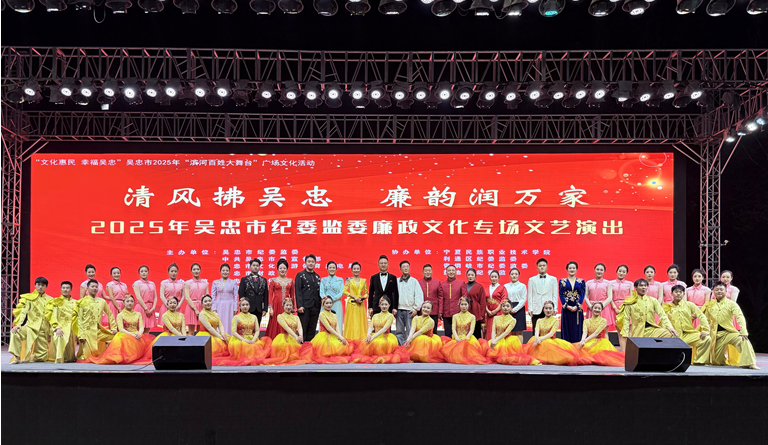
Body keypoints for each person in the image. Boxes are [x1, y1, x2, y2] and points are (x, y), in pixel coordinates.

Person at [82, 294, 153, 365]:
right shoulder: (120, 315)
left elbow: (141, 326)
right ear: (123, 303)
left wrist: (139, 334)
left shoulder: (138, 314)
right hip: (126, 335)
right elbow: (121, 329)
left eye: (131, 301)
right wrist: (132, 335)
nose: (130, 303)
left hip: (137, 335)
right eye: (127, 301)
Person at [702, 281, 759, 369]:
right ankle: (721, 361)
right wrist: (705, 331)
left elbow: (739, 316)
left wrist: (743, 330)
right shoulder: (709, 304)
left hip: (729, 332)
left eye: (721, 289)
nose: (719, 291)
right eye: (717, 290)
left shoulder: (732, 304)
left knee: (743, 339)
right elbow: (705, 320)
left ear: (726, 291)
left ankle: (750, 363)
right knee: (716, 361)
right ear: (713, 291)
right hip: (715, 334)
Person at [524, 301, 587, 366]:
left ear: (553, 310)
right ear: (543, 309)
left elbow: (551, 333)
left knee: (566, 357)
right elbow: (536, 330)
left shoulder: (555, 321)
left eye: (550, 308)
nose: (548, 310)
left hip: (550, 340)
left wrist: (540, 339)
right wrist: (536, 339)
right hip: (538, 340)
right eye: (546, 308)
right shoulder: (539, 320)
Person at [9, 277, 53, 364]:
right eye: (38, 285)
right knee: (15, 332)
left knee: (41, 358)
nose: (40, 287)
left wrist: (51, 331)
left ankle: (32, 357)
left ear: (46, 286)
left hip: (43, 329)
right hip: (30, 327)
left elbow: (52, 316)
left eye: (42, 285)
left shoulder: (50, 300)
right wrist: (19, 325)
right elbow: (23, 312)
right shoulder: (29, 298)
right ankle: (17, 357)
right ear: (35, 285)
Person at [352, 296, 408, 364]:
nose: (384, 306)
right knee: (365, 343)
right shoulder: (375, 316)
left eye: (386, 304)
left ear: (389, 305)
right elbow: (370, 327)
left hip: (385, 337)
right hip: (374, 335)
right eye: (382, 304)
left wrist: (372, 337)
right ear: (379, 305)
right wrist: (368, 335)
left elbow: (384, 329)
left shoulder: (390, 316)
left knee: (377, 343)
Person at [664, 285, 711, 366]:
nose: (678, 294)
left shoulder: (689, 305)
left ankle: (698, 362)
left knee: (706, 339)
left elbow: (701, 316)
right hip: (673, 336)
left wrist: (705, 330)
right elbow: (663, 321)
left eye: (680, 292)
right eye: (676, 292)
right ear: (671, 293)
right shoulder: (667, 307)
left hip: (688, 334)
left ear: (684, 294)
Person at [440, 297, 491, 365]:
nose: (464, 306)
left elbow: (471, 330)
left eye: (465, 304)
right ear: (459, 305)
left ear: (468, 305)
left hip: (468, 338)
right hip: (457, 338)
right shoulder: (455, 316)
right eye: (462, 304)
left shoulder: (472, 317)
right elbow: (453, 329)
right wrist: (457, 338)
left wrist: (465, 339)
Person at [486, 300, 540, 366]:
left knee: (507, 357)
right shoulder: (496, 318)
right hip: (495, 338)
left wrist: (496, 340)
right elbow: (493, 330)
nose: (505, 308)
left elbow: (506, 332)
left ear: (511, 308)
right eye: (504, 306)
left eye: (507, 306)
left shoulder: (513, 320)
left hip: (506, 340)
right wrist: (493, 340)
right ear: (501, 307)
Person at [75, 280, 117, 361]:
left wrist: (113, 328)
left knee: (117, 338)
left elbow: (110, 314)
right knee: (88, 357)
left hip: (99, 330)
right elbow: (79, 319)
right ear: (87, 288)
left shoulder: (102, 301)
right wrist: (81, 335)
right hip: (87, 332)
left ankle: (116, 356)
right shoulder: (82, 302)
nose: (94, 288)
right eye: (92, 286)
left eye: (96, 287)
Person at [222, 298, 272, 366]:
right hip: (239, 339)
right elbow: (233, 332)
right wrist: (244, 340)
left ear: (249, 306)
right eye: (243, 305)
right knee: (245, 346)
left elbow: (257, 330)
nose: (245, 306)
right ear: (240, 306)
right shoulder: (236, 317)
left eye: (247, 305)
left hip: (252, 338)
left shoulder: (254, 317)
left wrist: (253, 340)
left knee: (256, 346)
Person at [265, 298, 314, 365]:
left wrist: (301, 336)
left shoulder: (296, 317)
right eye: (287, 305)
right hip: (284, 339)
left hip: (294, 339)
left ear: (293, 306)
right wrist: (295, 336)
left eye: (290, 305)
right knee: (286, 351)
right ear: (283, 306)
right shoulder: (280, 316)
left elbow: (300, 327)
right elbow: (286, 328)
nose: (288, 307)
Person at [577, 302, 625, 367]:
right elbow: (585, 332)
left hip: (601, 342)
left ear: (602, 310)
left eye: (599, 308)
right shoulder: (586, 321)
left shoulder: (603, 321)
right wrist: (582, 341)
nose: (597, 310)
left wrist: (585, 341)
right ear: (592, 309)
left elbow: (596, 333)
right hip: (590, 341)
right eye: (595, 308)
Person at [311, 296, 354, 364]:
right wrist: (339, 336)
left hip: (334, 335)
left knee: (344, 346)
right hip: (324, 336)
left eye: (330, 303)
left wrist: (340, 337)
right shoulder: (322, 314)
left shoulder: (334, 315)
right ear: (323, 304)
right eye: (327, 303)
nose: (329, 305)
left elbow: (337, 327)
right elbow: (328, 328)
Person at [45, 281, 79, 363]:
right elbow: (52, 315)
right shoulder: (56, 301)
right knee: (59, 336)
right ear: (61, 289)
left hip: (71, 327)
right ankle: (59, 358)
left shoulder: (76, 303)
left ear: (71, 289)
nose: (65, 290)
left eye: (67, 288)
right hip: (60, 326)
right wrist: (56, 328)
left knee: (70, 358)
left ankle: (67, 357)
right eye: (63, 288)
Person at [395, 260, 424, 345]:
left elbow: (419, 295)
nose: (405, 268)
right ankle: (400, 347)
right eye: (403, 267)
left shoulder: (414, 281)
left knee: (410, 330)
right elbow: (393, 295)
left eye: (407, 266)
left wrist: (415, 309)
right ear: (400, 269)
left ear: (409, 268)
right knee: (399, 331)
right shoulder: (396, 281)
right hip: (399, 309)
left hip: (410, 310)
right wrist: (394, 308)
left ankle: (409, 347)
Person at [265, 258, 296, 339]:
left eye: (284, 268)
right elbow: (270, 295)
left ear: (287, 269)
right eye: (280, 268)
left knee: (286, 322)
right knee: (275, 323)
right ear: (277, 269)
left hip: (287, 306)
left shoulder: (290, 281)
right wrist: (270, 308)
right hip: (276, 305)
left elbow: (292, 296)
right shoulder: (273, 281)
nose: (282, 270)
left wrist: (292, 308)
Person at [295, 254, 322, 342]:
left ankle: (309, 347)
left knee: (312, 328)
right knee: (303, 327)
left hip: (315, 306)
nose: (311, 263)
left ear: (315, 263)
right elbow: (298, 291)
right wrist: (299, 306)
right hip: (304, 306)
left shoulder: (317, 276)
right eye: (309, 262)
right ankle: (302, 347)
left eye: (312, 262)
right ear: (305, 263)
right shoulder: (300, 275)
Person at [527, 258, 557, 333]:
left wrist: (555, 308)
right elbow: (530, 295)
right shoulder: (532, 279)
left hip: (549, 309)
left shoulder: (553, 279)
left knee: (548, 330)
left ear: (547, 267)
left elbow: (555, 295)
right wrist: (530, 308)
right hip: (536, 308)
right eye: (540, 266)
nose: (542, 267)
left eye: (544, 265)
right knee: (536, 331)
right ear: (537, 267)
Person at [559, 261, 586, 343]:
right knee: (567, 327)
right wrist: (567, 306)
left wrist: (577, 306)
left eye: (574, 268)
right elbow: (561, 294)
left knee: (577, 328)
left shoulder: (581, 281)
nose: (572, 269)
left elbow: (582, 294)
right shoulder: (562, 281)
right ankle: (567, 347)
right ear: (567, 269)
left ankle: (577, 346)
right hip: (567, 308)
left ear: (576, 269)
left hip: (577, 309)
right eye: (570, 268)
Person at [343, 262, 369, 341]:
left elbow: (366, 293)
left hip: (360, 304)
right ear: (351, 270)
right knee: (352, 323)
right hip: (352, 303)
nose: (356, 270)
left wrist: (362, 298)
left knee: (360, 323)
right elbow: (344, 291)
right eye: (354, 269)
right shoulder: (348, 280)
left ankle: (360, 341)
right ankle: (351, 341)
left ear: (360, 270)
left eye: (358, 269)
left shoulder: (363, 281)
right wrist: (354, 297)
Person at [440, 265, 468, 339]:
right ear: (446, 272)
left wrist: (462, 308)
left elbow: (464, 296)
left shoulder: (461, 283)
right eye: (449, 270)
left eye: (453, 270)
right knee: (448, 334)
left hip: (458, 312)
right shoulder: (442, 284)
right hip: (446, 312)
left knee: (459, 333)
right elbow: (441, 298)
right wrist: (440, 311)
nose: (451, 272)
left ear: (456, 272)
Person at [238, 259, 268, 326]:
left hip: (259, 309)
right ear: (250, 267)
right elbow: (241, 294)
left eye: (257, 265)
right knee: (246, 327)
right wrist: (242, 307)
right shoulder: (244, 280)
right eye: (253, 265)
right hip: (247, 308)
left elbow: (266, 295)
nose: (255, 267)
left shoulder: (264, 280)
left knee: (257, 327)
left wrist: (265, 309)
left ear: (259, 267)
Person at [585, 263, 614, 330]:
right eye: (597, 269)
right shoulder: (588, 283)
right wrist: (590, 306)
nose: (599, 271)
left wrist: (601, 306)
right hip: (592, 308)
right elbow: (585, 297)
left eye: (601, 270)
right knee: (591, 330)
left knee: (604, 332)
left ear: (604, 271)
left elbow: (610, 297)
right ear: (594, 270)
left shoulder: (608, 283)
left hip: (603, 308)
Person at [211, 263, 238, 335]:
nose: (225, 272)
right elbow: (213, 296)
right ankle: (219, 337)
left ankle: (229, 337)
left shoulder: (233, 282)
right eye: (223, 270)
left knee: (229, 321)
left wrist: (235, 307)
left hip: (230, 305)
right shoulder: (215, 282)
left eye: (227, 270)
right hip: (219, 304)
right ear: (220, 271)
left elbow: (236, 296)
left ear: (229, 271)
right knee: (219, 321)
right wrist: (213, 307)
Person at [320, 261, 345, 335]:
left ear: (336, 269)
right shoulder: (323, 280)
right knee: (325, 322)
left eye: (333, 267)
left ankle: (338, 338)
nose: (332, 269)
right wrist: (327, 301)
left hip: (336, 303)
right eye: (330, 267)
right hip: (325, 303)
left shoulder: (340, 280)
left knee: (337, 321)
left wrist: (332, 299)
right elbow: (321, 292)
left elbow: (341, 292)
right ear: (327, 269)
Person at [184, 263, 208, 335]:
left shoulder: (205, 283)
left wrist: (204, 307)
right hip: (191, 307)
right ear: (191, 271)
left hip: (202, 307)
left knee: (200, 331)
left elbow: (207, 296)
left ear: (200, 270)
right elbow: (187, 297)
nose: (196, 271)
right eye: (194, 269)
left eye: (198, 269)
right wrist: (195, 309)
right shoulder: (188, 283)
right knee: (191, 331)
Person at [611, 265, 632, 347]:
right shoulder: (611, 283)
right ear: (616, 271)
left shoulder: (630, 284)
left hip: (626, 308)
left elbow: (631, 297)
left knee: (629, 332)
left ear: (626, 273)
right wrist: (614, 307)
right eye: (620, 271)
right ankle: (623, 352)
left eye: (624, 271)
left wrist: (626, 308)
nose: (621, 273)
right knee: (620, 332)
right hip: (615, 308)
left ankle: (630, 351)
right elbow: (610, 297)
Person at [132, 265, 157, 335]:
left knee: (147, 331)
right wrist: (146, 309)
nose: (144, 273)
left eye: (145, 271)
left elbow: (155, 297)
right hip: (141, 307)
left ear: (148, 272)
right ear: (139, 273)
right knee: (139, 330)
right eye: (142, 271)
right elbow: (138, 297)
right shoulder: (137, 283)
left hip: (150, 308)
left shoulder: (152, 283)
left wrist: (153, 308)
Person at [418, 264, 443, 335]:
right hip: (422, 311)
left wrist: (440, 311)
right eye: (426, 271)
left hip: (434, 311)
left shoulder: (437, 282)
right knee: (421, 331)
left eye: (429, 271)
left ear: (432, 271)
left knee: (433, 331)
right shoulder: (418, 282)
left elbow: (440, 297)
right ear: (423, 272)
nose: (428, 272)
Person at [504, 268, 527, 343]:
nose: (514, 275)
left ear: (518, 275)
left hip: (519, 308)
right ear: (509, 275)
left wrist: (515, 309)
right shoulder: (505, 286)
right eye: (512, 274)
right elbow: (504, 298)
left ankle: (519, 348)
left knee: (518, 331)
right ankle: (511, 347)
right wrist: (508, 308)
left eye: (516, 274)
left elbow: (523, 299)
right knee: (510, 331)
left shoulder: (522, 286)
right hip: (508, 308)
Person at [485, 270, 507, 341]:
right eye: (492, 277)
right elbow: (484, 301)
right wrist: (488, 311)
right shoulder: (486, 288)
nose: (494, 278)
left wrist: (495, 311)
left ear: (498, 277)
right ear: (490, 278)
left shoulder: (502, 288)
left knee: (498, 330)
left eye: (495, 277)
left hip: (499, 313)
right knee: (490, 330)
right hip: (489, 314)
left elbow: (503, 301)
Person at [465, 268, 487, 339]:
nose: (470, 276)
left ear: (475, 276)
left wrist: (482, 314)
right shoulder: (464, 286)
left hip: (476, 311)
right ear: (466, 276)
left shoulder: (479, 287)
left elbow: (483, 301)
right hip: (465, 310)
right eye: (469, 275)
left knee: (476, 331)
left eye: (472, 275)